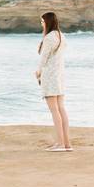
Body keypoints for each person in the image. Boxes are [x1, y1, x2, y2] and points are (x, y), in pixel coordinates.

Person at [36, 12, 71, 152]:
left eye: (42, 22)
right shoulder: (61, 36)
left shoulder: (49, 37)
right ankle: (66, 143)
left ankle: (61, 144)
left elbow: (44, 58)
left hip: (50, 75)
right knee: (61, 108)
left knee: (54, 110)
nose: (41, 24)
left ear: (47, 22)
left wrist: (38, 72)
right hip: (60, 76)